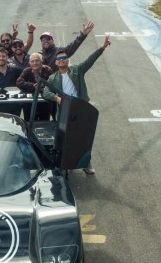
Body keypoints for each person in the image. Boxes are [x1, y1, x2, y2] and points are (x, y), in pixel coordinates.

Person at [42, 34, 112, 175]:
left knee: (83, 137)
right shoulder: (52, 77)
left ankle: (86, 163)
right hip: (64, 110)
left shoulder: (77, 70)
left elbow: (90, 61)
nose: (61, 60)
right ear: (56, 62)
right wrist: (57, 98)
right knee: (64, 138)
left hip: (80, 108)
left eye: (64, 58)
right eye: (59, 59)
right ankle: (64, 163)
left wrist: (102, 48)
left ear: (68, 60)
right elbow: (45, 92)